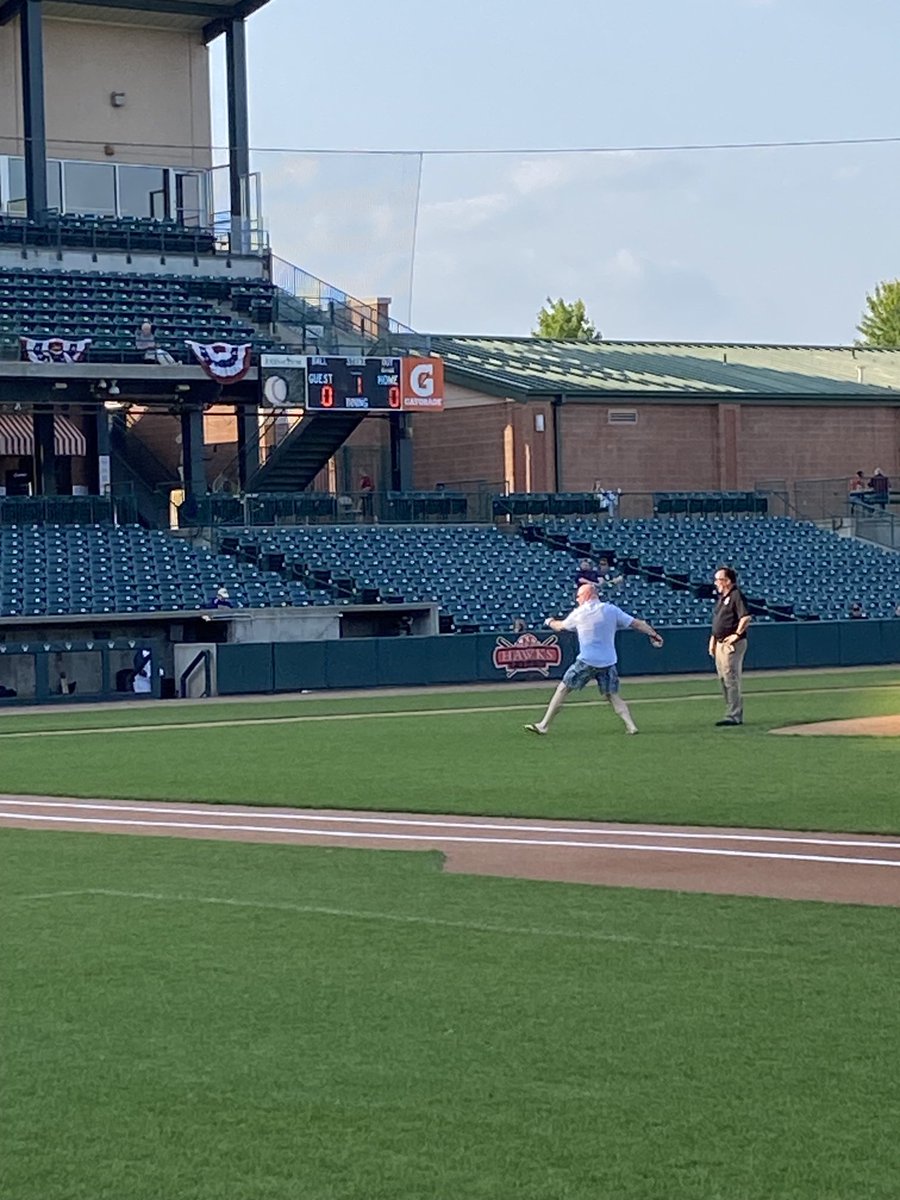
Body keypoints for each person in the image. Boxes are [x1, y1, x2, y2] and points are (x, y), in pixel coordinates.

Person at [523, 583, 663, 737]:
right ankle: (631, 725)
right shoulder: (611, 610)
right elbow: (637, 623)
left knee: (563, 688)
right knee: (612, 695)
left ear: (586, 595)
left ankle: (543, 725)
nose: (577, 600)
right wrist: (653, 634)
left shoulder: (579, 613)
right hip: (608, 661)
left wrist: (548, 621)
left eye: (578, 596)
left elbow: (560, 627)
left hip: (587, 660)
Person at [708, 566, 751, 726]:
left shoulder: (736, 595)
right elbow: (718, 621)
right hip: (720, 642)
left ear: (727, 581)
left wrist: (736, 635)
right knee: (723, 679)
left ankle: (734, 715)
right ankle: (730, 712)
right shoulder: (722, 598)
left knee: (731, 678)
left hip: (731, 644)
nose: (716, 583)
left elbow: (745, 617)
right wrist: (713, 639)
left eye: (718, 580)